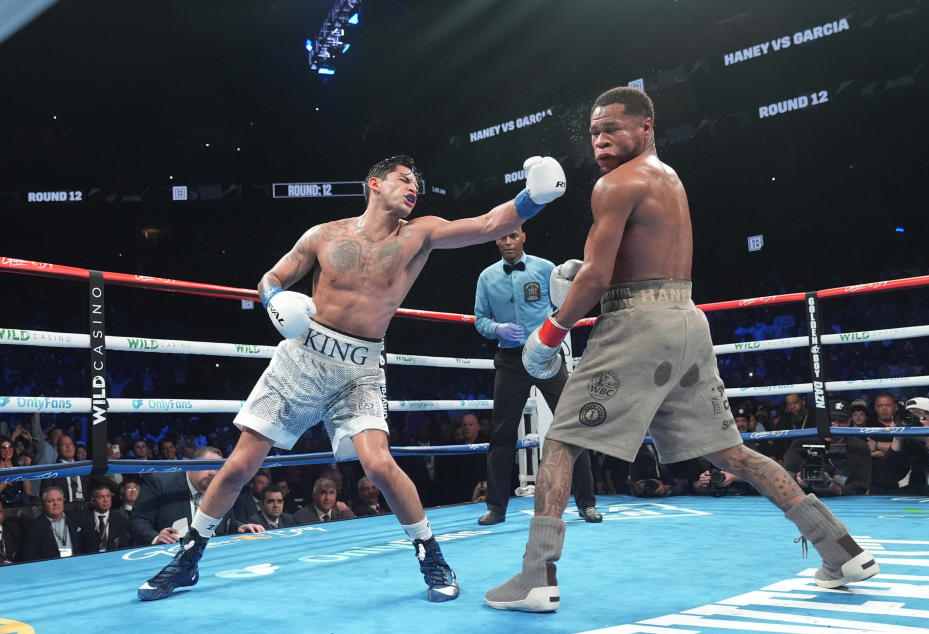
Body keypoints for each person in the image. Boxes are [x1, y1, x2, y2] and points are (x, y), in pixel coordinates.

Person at [485, 87, 878, 613]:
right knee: (730, 453)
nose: (601, 140)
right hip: (687, 321)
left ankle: (537, 576)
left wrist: (551, 331)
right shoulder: (667, 179)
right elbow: (628, 266)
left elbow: (599, 276)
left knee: (558, 444)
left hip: (637, 325)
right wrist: (588, 277)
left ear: (646, 127)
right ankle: (841, 549)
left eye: (613, 128)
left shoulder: (614, 184)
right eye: (594, 132)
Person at [138, 153, 567, 602]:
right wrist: (273, 300)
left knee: (379, 465)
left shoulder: (420, 234)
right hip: (301, 359)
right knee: (242, 463)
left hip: (361, 368)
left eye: (417, 182)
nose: (413, 186)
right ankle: (188, 557)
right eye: (404, 178)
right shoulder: (324, 235)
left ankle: (431, 554)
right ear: (375, 184)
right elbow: (272, 276)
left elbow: (486, 224)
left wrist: (531, 199)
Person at [473, 228, 600, 526]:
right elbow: (480, 319)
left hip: (547, 353)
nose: (507, 242)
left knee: (572, 426)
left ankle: (586, 503)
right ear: (496, 240)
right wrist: (497, 329)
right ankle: (496, 508)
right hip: (510, 360)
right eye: (502, 237)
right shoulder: (487, 277)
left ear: (523, 237)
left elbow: (566, 305)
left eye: (513, 236)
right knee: (502, 435)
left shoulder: (545, 269)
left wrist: (552, 331)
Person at [129, 446, 264, 547]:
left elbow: (228, 522)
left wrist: (239, 528)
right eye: (207, 465)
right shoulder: (161, 483)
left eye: (217, 468)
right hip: (170, 553)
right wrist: (156, 537)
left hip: (213, 553)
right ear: (190, 465)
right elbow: (138, 521)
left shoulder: (220, 489)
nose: (212, 473)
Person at [81, 484, 131, 552]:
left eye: (108, 496)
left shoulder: (120, 519)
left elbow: (124, 545)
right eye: (101, 497)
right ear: (92, 500)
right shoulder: (83, 519)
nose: (105, 500)